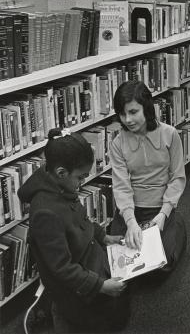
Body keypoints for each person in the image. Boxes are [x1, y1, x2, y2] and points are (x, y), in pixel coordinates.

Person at [18, 129, 128, 333]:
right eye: (80, 177)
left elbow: (82, 220)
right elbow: (62, 269)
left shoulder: (61, 186)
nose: (82, 182)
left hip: (89, 260)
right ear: (61, 173)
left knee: (121, 304)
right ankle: (58, 313)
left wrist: (104, 236)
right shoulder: (45, 213)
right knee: (110, 320)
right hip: (74, 285)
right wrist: (100, 286)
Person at [109, 81, 187, 272]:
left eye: (133, 112)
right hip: (132, 210)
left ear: (147, 108)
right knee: (119, 265)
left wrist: (163, 214)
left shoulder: (170, 134)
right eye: (122, 114)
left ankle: (176, 225)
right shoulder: (118, 143)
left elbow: (177, 177)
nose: (127, 119)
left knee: (160, 267)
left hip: (160, 209)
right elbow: (121, 186)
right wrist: (130, 222)